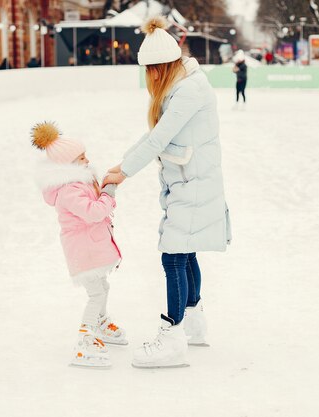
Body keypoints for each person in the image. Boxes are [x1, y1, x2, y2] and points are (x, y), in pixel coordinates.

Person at [103, 16, 231, 369]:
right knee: (185, 253)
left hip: (194, 184)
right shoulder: (186, 84)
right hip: (190, 182)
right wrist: (122, 164)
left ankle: (173, 337)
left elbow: (159, 138)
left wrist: (124, 172)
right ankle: (194, 325)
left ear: (158, 69)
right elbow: (157, 136)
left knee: (173, 256)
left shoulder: (189, 90)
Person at [32, 122, 126, 368]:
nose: (87, 160)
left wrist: (103, 186)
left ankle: (101, 322)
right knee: (96, 293)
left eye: (85, 155)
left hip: (91, 248)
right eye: (81, 158)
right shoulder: (68, 191)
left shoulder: (79, 183)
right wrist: (109, 195)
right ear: (67, 165)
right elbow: (93, 212)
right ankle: (85, 338)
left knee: (102, 288)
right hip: (84, 253)